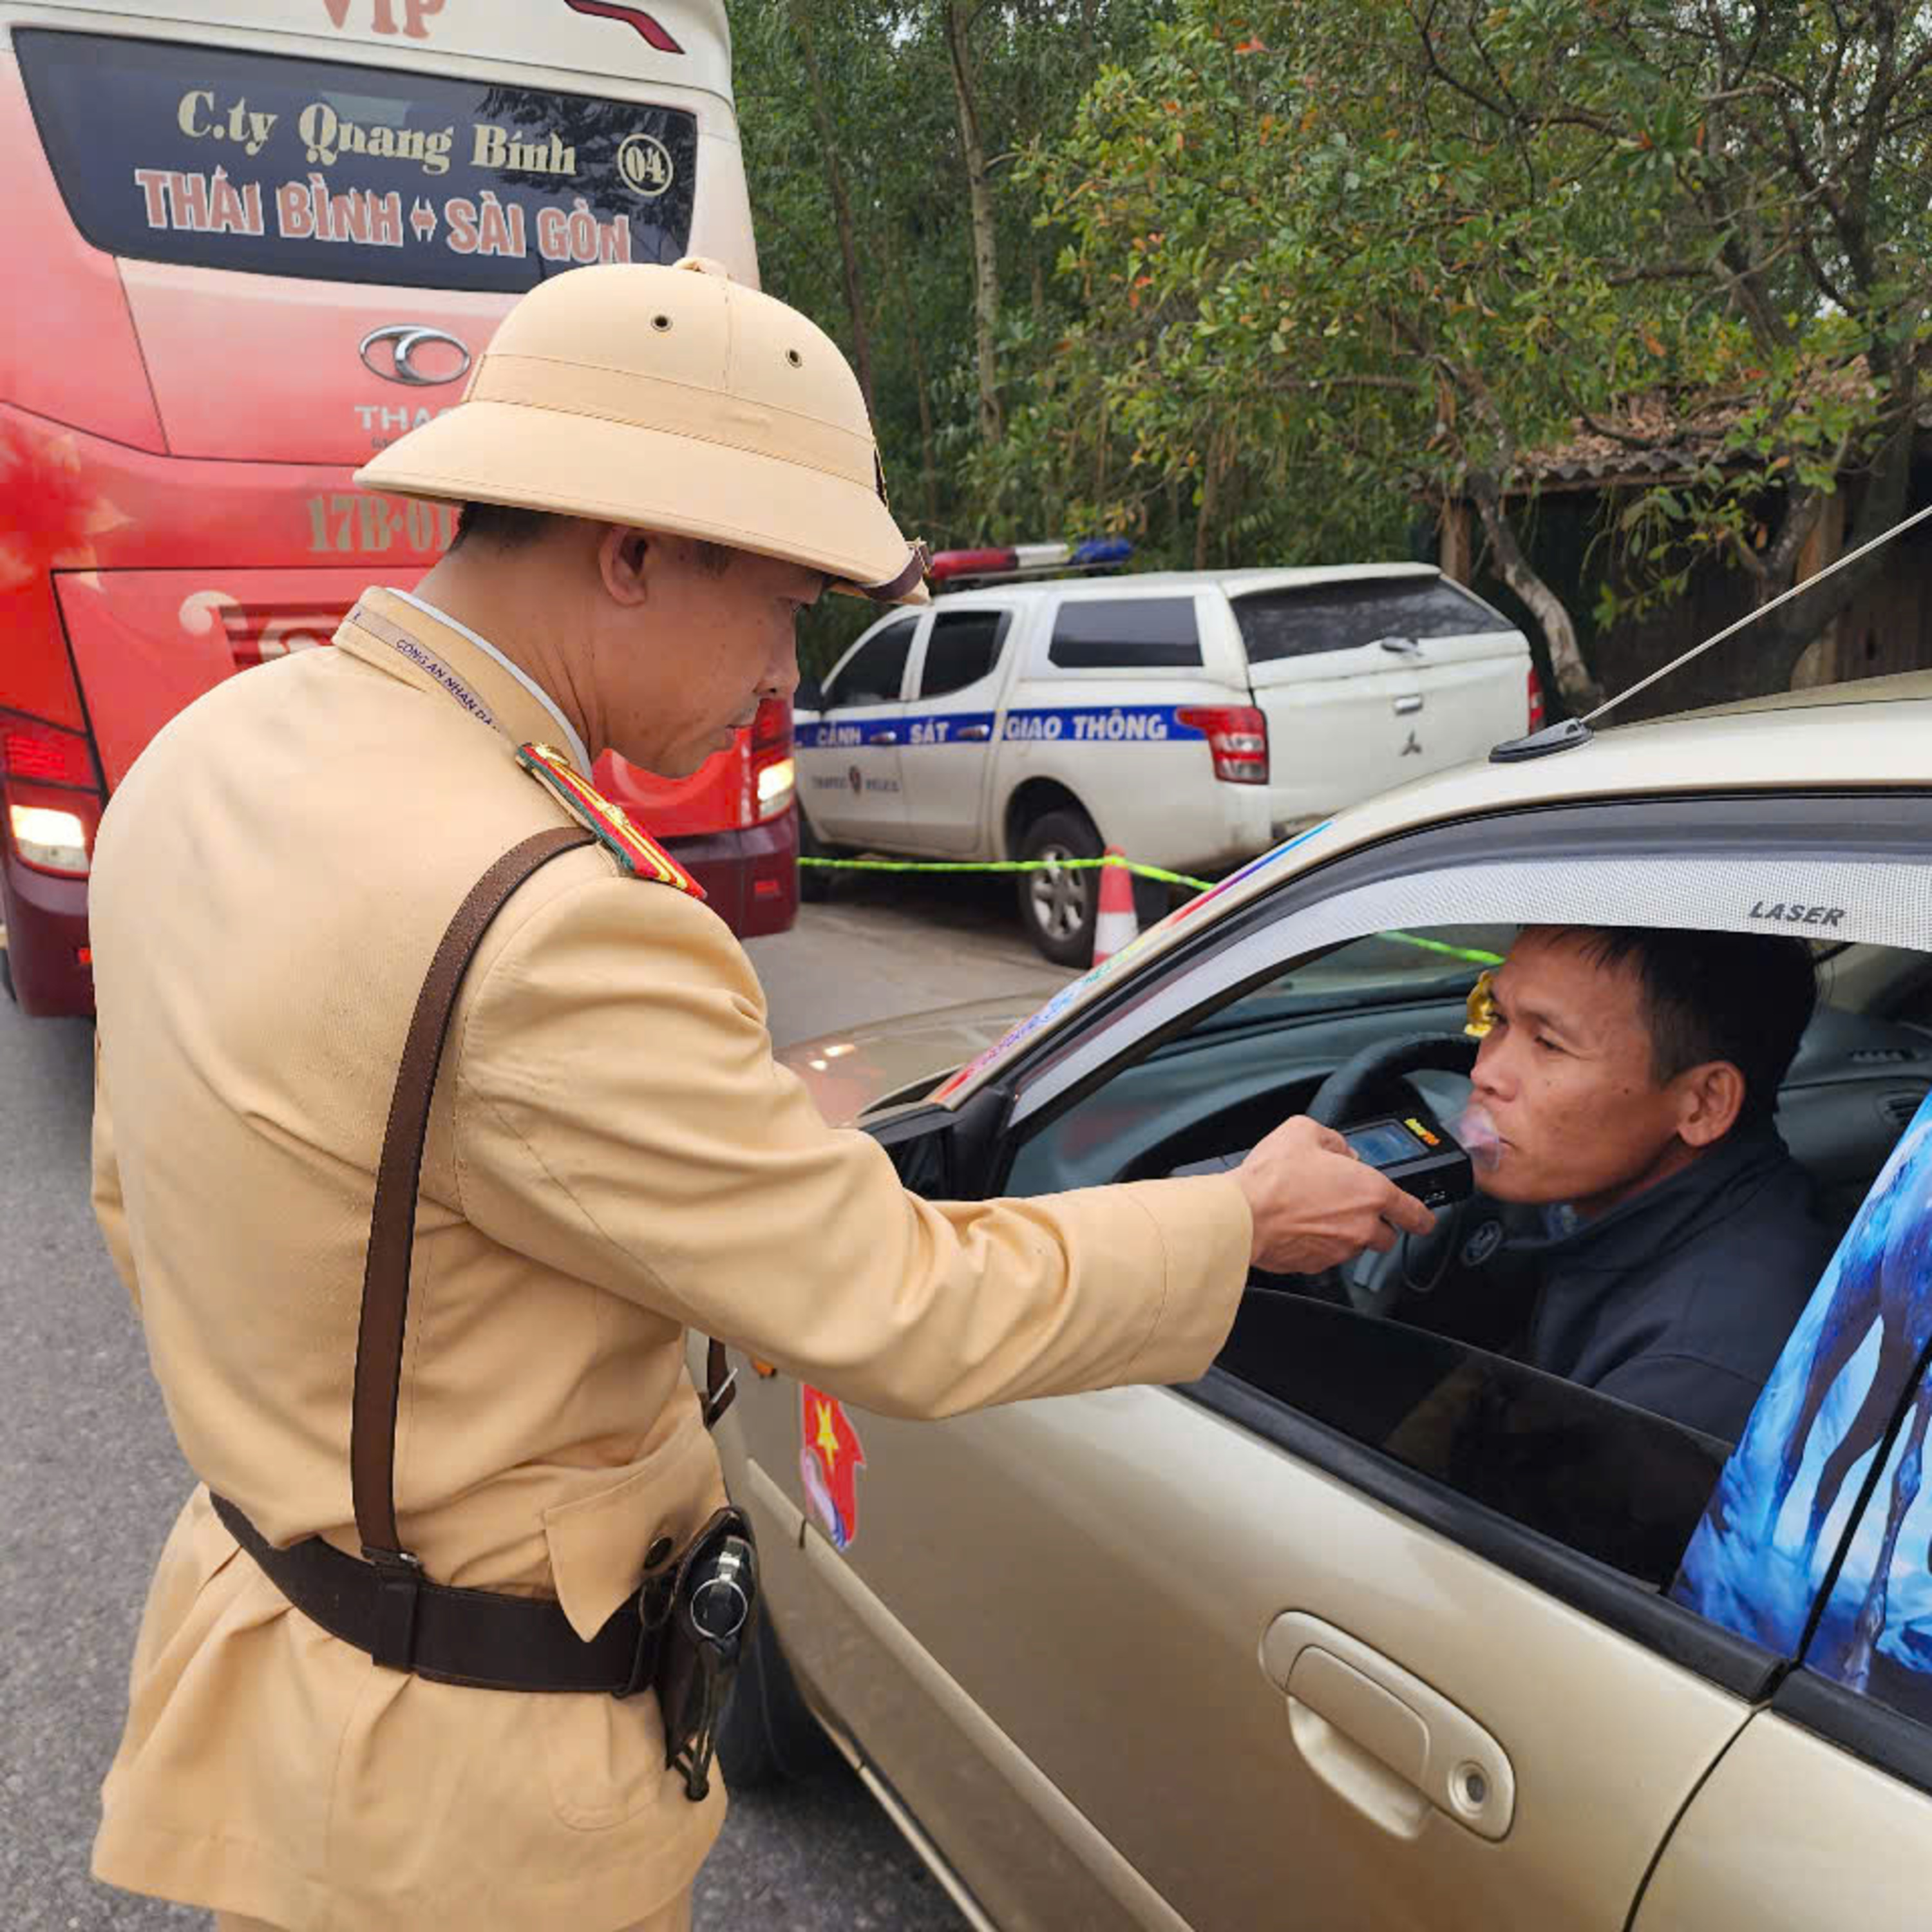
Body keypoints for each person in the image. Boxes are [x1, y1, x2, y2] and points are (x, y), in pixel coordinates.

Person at [85, 258, 1432, 1932]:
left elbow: (143, 1194)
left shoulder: (214, 749)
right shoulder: (555, 919)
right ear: (632, 552)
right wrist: (1234, 1220)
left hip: (283, 1679)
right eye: (789, 601)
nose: (792, 669)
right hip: (473, 1807)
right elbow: (895, 1306)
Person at [1467, 923, 1835, 1441]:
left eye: (1548, 1043)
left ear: (1703, 1104)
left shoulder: (1685, 1378)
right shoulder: (1618, 1196)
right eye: (1498, 1018)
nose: (1486, 1073)